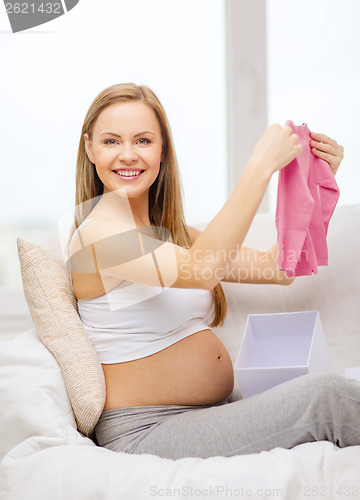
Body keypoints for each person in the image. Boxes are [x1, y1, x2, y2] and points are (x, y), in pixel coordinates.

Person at [69, 83, 360, 460]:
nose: (128, 155)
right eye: (111, 142)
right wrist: (260, 166)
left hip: (207, 414)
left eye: (143, 141)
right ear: (89, 147)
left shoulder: (174, 232)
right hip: (148, 430)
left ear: (162, 150)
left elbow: (277, 268)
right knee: (325, 399)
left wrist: (316, 180)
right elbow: (203, 269)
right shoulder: (98, 233)